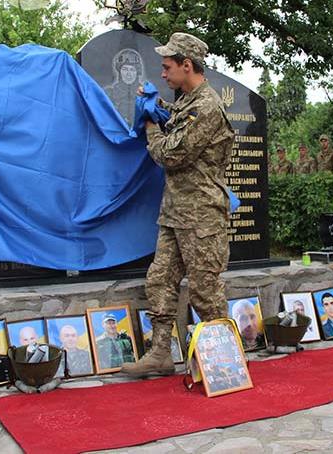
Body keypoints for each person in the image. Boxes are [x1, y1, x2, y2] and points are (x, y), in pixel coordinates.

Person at [120, 32, 235, 377]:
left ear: (188, 66)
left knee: (205, 291)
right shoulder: (187, 101)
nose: (163, 73)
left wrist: (151, 122)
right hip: (175, 212)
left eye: (168, 67)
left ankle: (226, 361)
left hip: (200, 215)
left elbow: (170, 154)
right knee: (159, 281)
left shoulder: (207, 106)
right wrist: (159, 107)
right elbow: (178, 118)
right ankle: (160, 353)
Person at [104, 48, 146, 126]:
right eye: (125, 69)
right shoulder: (109, 93)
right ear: (119, 71)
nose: (128, 74)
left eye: (132, 70)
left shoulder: (146, 93)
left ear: (138, 72)